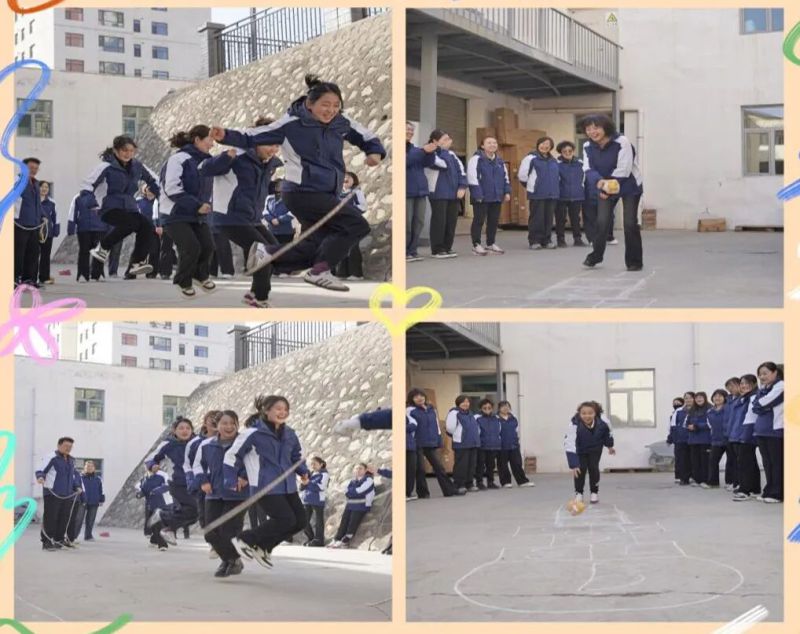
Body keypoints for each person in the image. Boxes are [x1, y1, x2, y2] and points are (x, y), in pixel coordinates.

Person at [211, 75, 386, 292]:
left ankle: (269, 254)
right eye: (325, 105)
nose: (331, 110)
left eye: (336, 105)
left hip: (326, 193)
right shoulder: (291, 124)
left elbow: (366, 136)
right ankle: (319, 271)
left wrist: (374, 152)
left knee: (315, 245)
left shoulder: (341, 121)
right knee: (356, 224)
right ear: (310, 104)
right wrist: (225, 135)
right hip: (302, 191)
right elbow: (254, 135)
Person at [203, 119, 283, 305]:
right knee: (263, 252)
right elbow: (205, 169)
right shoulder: (237, 155)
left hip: (251, 218)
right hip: (229, 217)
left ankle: (255, 293)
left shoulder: (267, 163)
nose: (273, 149)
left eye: (277, 145)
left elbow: (257, 188)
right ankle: (259, 297)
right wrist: (225, 158)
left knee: (275, 251)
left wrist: (280, 187)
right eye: (269, 144)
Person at [225, 395, 310, 569]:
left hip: (288, 485)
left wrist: (303, 471)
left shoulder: (290, 434)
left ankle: (264, 547)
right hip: (265, 485)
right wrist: (232, 478)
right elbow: (232, 455)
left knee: (300, 521)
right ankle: (245, 539)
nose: (282, 412)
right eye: (278, 409)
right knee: (285, 519)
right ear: (266, 410)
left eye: (285, 409)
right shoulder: (252, 433)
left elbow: (296, 457)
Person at [81, 135, 161, 276]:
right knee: (130, 223)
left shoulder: (137, 166)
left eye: (131, 151)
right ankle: (103, 247)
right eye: (124, 150)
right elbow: (87, 184)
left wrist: (158, 193)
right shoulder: (106, 166)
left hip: (130, 207)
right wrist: (91, 202)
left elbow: (155, 180)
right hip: (109, 207)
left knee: (148, 227)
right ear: (116, 150)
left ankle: (136, 263)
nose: (128, 154)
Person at [158, 126, 217, 299]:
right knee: (191, 247)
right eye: (210, 140)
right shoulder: (178, 159)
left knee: (208, 246)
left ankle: (199, 275)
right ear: (197, 140)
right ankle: (183, 281)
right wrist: (196, 205)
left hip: (197, 214)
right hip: (175, 213)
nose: (212, 144)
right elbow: (171, 187)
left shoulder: (207, 162)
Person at [579, 114, 644, 271]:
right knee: (602, 221)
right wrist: (600, 183)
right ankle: (596, 255)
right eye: (588, 129)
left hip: (628, 185)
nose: (592, 132)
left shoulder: (622, 142)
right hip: (604, 185)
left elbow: (624, 169)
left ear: (606, 127)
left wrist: (607, 189)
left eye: (596, 128)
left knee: (630, 223)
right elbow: (588, 168)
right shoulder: (587, 146)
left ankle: (634, 261)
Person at [193, 410, 248, 577]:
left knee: (228, 532)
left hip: (237, 495)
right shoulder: (206, 445)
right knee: (210, 533)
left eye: (232, 423)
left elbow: (255, 462)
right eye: (224, 423)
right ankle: (232, 559)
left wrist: (244, 477)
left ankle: (228, 561)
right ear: (217, 426)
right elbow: (197, 465)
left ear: (237, 425)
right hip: (214, 493)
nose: (229, 426)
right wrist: (203, 481)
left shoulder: (245, 443)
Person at [145, 417, 200, 544]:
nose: (185, 431)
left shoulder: (197, 443)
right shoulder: (169, 444)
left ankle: (164, 520)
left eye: (188, 428)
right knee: (193, 509)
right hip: (177, 483)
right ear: (174, 431)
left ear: (192, 430)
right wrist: (153, 465)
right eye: (181, 428)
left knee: (195, 514)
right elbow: (150, 458)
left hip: (194, 483)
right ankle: (165, 523)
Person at [407, 388, 456, 498]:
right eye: (416, 397)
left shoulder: (431, 409)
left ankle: (449, 490)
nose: (419, 398)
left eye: (421, 396)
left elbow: (437, 426)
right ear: (412, 399)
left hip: (430, 443)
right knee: (420, 469)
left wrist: (439, 440)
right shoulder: (410, 410)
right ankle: (423, 493)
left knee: (439, 467)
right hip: (417, 443)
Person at [425, 129, 467, 259]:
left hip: (453, 194)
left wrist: (462, 187)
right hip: (438, 192)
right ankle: (437, 249)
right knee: (439, 221)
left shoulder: (452, 154)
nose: (449, 141)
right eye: (445, 139)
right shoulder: (430, 154)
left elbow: (461, 171)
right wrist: (437, 150)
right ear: (435, 141)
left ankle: (447, 247)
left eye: (449, 139)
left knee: (451, 221)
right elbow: (440, 164)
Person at [564, 402, 616, 504]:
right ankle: (579, 493)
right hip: (580, 450)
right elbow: (569, 442)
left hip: (595, 449)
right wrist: (574, 463)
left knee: (593, 468)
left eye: (590, 413)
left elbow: (608, 434)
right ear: (579, 414)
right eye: (583, 413)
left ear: (595, 413)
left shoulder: (603, 422)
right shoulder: (574, 424)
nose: (587, 416)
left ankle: (594, 492)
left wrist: (610, 446)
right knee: (580, 469)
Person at [35, 437, 82, 550]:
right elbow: (40, 469)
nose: (68, 448)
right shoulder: (52, 457)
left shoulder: (71, 460)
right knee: (51, 518)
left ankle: (58, 540)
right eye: (66, 446)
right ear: (59, 445)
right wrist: (40, 477)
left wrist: (77, 486)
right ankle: (46, 542)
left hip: (67, 494)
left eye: (70, 447)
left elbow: (73, 476)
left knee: (64, 519)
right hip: (53, 493)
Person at [467, 136, 511, 255]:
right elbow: (472, 177)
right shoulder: (476, 159)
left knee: (493, 221)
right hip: (481, 196)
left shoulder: (500, 161)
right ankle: (476, 244)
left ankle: (490, 243)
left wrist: (506, 192)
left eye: (494, 143)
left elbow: (505, 178)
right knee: (479, 220)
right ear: (482, 146)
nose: (492, 145)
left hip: (496, 196)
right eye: (489, 142)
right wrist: (477, 194)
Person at [519, 136, 560, 250]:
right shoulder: (531, 158)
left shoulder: (553, 160)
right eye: (542, 143)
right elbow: (522, 175)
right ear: (538, 144)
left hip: (552, 193)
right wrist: (532, 186)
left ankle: (547, 240)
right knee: (537, 218)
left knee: (548, 218)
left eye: (547, 144)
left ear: (551, 147)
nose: (544, 146)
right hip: (537, 193)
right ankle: (535, 241)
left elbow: (557, 176)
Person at [406, 121, 438, 262]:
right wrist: (423, 151)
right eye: (407, 129)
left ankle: (412, 250)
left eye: (411, 130)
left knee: (418, 222)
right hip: (406, 192)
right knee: (406, 223)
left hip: (420, 191)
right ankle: (404, 251)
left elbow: (428, 163)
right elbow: (406, 161)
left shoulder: (415, 149)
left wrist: (431, 152)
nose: (410, 132)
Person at [753, 362, 784, 503]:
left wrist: (762, 405)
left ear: (775, 372)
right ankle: (769, 490)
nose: (762, 377)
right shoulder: (764, 388)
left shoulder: (781, 386)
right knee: (767, 463)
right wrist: (762, 406)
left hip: (775, 431)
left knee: (776, 463)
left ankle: (777, 493)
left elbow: (762, 403)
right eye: (760, 374)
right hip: (762, 431)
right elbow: (755, 406)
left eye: (765, 373)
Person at [728, 374, 761, 501]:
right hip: (740, 433)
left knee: (744, 462)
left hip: (747, 433)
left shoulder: (753, 397)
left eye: (747, 383)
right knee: (750, 461)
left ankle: (745, 490)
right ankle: (754, 488)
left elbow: (751, 418)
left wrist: (745, 434)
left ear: (754, 384)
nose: (744, 385)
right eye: (742, 383)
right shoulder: (743, 398)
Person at [14, 157, 45, 288]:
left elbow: (37, 203)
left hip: (34, 224)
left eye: (36, 168)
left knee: (33, 253)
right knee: (18, 253)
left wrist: (43, 216)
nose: (34, 170)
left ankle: (30, 279)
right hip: (20, 224)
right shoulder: (17, 181)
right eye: (31, 168)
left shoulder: (36, 184)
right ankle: (15, 279)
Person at [329, 463, 374, 548]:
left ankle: (345, 540)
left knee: (353, 522)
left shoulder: (369, 480)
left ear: (365, 470)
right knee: (344, 521)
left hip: (361, 505)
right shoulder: (353, 481)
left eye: (360, 468)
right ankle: (337, 539)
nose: (358, 470)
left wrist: (349, 491)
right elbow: (348, 493)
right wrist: (350, 492)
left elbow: (360, 491)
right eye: (356, 468)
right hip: (350, 504)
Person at [67, 193, 107, 282]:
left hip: (101, 227)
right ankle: (83, 274)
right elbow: (72, 212)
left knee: (100, 251)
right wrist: (71, 228)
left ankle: (98, 273)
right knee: (84, 251)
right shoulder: (78, 197)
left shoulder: (103, 195)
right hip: (84, 228)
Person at [336, 171, 368, 280]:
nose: (345, 179)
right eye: (344, 177)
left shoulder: (357, 192)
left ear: (353, 180)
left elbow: (363, 207)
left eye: (348, 177)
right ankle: (342, 273)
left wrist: (348, 210)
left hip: (353, 223)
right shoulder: (337, 194)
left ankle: (357, 274)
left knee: (353, 247)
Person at [445, 394, 479, 494]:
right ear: (458, 403)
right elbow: (450, 428)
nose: (466, 404)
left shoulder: (470, 413)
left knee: (471, 465)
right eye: (463, 402)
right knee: (461, 465)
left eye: (467, 402)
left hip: (473, 443)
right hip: (461, 443)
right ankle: (459, 484)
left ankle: (469, 483)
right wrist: (457, 436)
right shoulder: (454, 412)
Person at [555, 141, 586, 247]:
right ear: (561, 152)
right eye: (565, 151)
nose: (568, 153)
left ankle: (578, 239)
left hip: (577, 195)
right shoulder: (556, 164)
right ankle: (560, 240)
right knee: (560, 219)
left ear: (573, 151)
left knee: (576, 219)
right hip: (561, 196)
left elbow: (585, 178)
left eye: (570, 151)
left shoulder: (580, 163)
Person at [497, 401, 534, 488]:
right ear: (499, 408)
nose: (505, 408)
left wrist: (517, 441)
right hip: (502, 446)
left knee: (517, 463)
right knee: (503, 465)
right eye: (503, 407)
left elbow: (516, 431)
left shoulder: (513, 418)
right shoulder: (496, 419)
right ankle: (506, 482)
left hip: (514, 445)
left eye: (507, 406)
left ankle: (522, 481)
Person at [137, 466, 173, 550]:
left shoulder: (162, 477)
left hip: (161, 504)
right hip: (150, 504)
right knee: (153, 525)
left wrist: (169, 503)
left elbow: (167, 487)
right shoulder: (146, 479)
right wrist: (139, 494)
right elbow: (143, 490)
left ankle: (162, 545)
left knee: (159, 523)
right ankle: (154, 540)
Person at [133, 185, 162, 280]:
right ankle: (131, 272)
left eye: (151, 190)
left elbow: (159, 216)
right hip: (143, 229)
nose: (149, 192)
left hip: (155, 229)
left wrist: (160, 226)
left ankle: (152, 273)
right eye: (148, 190)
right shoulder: (139, 201)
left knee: (154, 251)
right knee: (140, 250)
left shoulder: (158, 201)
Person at [300, 456, 329, 547]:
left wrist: (308, 482)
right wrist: (303, 482)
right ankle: (311, 538)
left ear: (321, 464)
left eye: (315, 464)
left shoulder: (324, 474)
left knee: (318, 521)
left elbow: (321, 487)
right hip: (307, 500)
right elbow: (302, 488)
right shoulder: (311, 474)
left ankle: (319, 540)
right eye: (311, 464)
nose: (313, 466)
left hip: (317, 500)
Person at [685, 392, 712, 488]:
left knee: (705, 461)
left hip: (705, 439)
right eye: (697, 398)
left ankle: (705, 480)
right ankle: (697, 479)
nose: (698, 399)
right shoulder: (692, 410)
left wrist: (696, 426)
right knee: (695, 461)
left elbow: (710, 424)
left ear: (705, 398)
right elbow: (687, 422)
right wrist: (689, 426)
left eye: (701, 397)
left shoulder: (710, 409)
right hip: (693, 440)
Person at [475, 399, 502, 489]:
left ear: (492, 408)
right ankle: (479, 482)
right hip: (482, 446)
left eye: (489, 408)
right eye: (485, 408)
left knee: (491, 465)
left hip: (493, 445)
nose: (487, 409)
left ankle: (490, 482)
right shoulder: (477, 418)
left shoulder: (496, 418)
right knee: (480, 465)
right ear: (481, 408)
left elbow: (499, 431)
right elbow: (476, 432)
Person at [707, 389, 729, 488]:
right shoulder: (710, 411)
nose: (717, 398)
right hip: (715, 440)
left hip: (728, 439)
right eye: (715, 396)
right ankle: (713, 482)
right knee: (712, 461)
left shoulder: (728, 409)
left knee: (730, 462)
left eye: (720, 396)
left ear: (725, 398)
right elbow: (709, 426)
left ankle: (730, 482)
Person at [38, 181, 59, 285]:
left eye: (46, 187)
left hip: (47, 233)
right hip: (34, 232)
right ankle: (31, 277)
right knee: (32, 255)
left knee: (45, 256)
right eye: (42, 186)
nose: (44, 189)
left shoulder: (52, 203)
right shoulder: (34, 200)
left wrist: (56, 230)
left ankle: (44, 277)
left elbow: (56, 217)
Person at [722, 377, 741, 491]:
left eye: (733, 386)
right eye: (728, 386)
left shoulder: (740, 399)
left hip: (737, 434)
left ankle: (738, 482)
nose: (730, 388)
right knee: (731, 459)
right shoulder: (728, 400)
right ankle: (732, 481)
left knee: (738, 460)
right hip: (728, 433)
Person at [264, 180, 295, 246]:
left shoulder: (290, 198)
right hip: (271, 233)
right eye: (277, 186)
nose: (279, 187)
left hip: (286, 233)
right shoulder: (269, 198)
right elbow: (265, 211)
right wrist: (271, 219)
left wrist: (279, 220)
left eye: (282, 186)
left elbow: (292, 212)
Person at [80, 460, 104, 541]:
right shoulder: (80, 478)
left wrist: (101, 499)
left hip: (94, 502)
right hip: (82, 501)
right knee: (78, 519)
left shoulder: (98, 479)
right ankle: (72, 537)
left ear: (94, 468)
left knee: (90, 520)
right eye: (87, 466)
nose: (89, 468)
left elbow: (101, 490)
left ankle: (88, 536)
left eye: (91, 466)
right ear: (84, 468)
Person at [666, 397, 685, 483]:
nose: (676, 404)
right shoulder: (673, 414)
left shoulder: (683, 412)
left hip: (683, 438)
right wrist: (670, 439)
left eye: (678, 403)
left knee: (683, 459)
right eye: (674, 403)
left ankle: (684, 476)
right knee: (678, 459)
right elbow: (671, 428)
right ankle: (678, 476)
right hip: (677, 439)